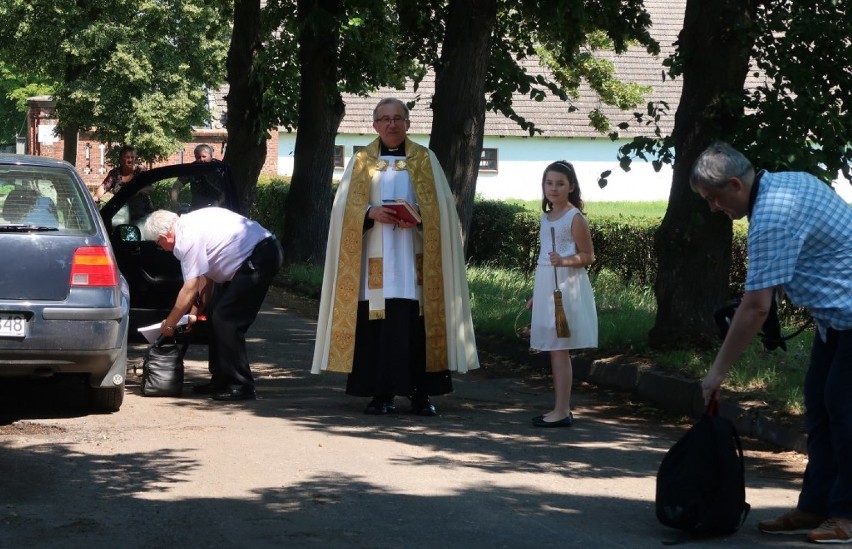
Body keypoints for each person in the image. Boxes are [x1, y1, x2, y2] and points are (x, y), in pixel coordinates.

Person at [692, 142, 852, 544]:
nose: (714, 208)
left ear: (734, 184)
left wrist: (717, 373)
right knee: (820, 407)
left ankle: (847, 517)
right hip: (836, 321)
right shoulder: (792, 182)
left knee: (846, 413)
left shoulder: (773, 217)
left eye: (714, 198)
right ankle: (816, 507)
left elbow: (756, 307)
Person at [311, 97, 479, 416]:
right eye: (385, 119)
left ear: (408, 124)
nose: (391, 124)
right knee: (377, 331)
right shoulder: (361, 161)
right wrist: (370, 212)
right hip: (373, 262)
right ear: (375, 125)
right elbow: (342, 211)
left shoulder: (425, 160)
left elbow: (442, 210)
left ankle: (421, 395)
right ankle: (380, 394)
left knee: (415, 329)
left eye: (397, 118)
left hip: (414, 260)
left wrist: (418, 217)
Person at [142, 208, 283, 402]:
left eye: (159, 244)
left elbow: (189, 288)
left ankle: (241, 385)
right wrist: (194, 313)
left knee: (226, 319)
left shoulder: (186, 238)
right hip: (256, 255)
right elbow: (205, 281)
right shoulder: (189, 226)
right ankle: (221, 379)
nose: (162, 248)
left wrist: (170, 324)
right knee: (215, 315)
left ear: (164, 236)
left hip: (260, 256)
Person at [526, 161, 598, 428]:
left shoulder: (574, 218)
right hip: (548, 287)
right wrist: (538, 295)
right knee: (554, 350)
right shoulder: (546, 217)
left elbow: (588, 256)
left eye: (560, 183)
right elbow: (545, 260)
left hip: (566, 289)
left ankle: (562, 410)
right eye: (549, 183)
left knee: (559, 351)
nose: (553, 188)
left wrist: (565, 261)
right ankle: (559, 408)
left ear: (571, 187)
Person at [170, 143, 225, 208]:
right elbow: (177, 186)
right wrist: (174, 201)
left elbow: (227, 190)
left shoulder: (220, 168)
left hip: (219, 206)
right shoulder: (192, 169)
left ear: (211, 156)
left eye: (204, 156)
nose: (201, 159)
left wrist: (218, 203)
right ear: (195, 157)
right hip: (197, 207)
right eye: (198, 157)